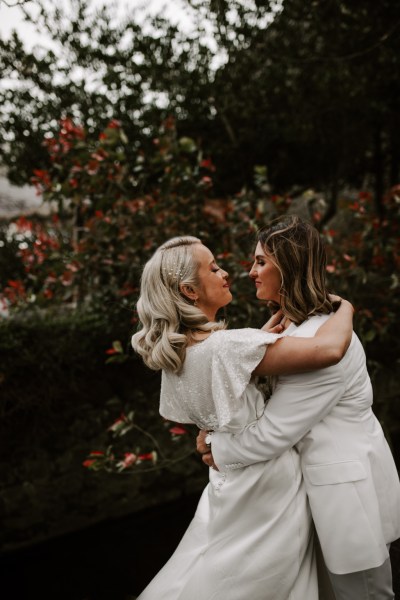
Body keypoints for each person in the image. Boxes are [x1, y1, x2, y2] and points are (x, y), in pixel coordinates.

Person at [131, 234, 354, 600]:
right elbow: (329, 349)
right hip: (269, 487)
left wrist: (255, 343)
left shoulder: (180, 353)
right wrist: (345, 307)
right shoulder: (228, 347)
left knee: (216, 567)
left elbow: (216, 397)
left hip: (228, 483)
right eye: (213, 268)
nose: (226, 274)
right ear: (189, 290)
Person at [197, 216, 400, 600]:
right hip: (308, 496)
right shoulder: (292, 328)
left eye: (260, 262)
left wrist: (215, 448)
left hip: (345, 496)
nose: (250, 271)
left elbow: (273, 433)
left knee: (366, 595)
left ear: (288, 266)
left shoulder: (317, 342)